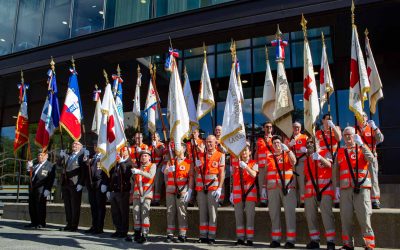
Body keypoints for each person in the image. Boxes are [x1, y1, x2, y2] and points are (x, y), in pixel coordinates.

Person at [336, 127, 376, 250]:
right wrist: (336, 187)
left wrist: (362, 145)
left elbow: (372, 159)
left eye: (350, 134)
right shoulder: (340, 151)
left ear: (355, 135)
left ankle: (368, 244)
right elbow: (336, 172)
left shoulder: (361, 148)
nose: (348, 137)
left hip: (361, 187)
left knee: (364, 216)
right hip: (345, 189)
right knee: (345, 217)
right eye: (345, 135)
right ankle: (348, 243)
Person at [263, 135, 297, 248]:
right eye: (274, 143)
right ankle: (276, 239)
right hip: (273, 189)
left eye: (278, 142)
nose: (277, 144)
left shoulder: (287, 153)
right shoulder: (269, 157)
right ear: (272, 145)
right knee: (274, 214)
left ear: (281, 144)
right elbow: (266, 173)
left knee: (289, 214)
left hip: (287, 188)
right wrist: (263, 187)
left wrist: (288, 150)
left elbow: (294, 162)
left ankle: (291, 240)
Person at [303, 138, 336, 250]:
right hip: (310, 192)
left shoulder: (325, 152)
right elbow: (307, 177)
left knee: (327, 216)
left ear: (317, 143)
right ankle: (314, 240)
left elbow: (330, 166)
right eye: (307, 143)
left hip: (325, 190)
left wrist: (320, 158)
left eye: (312, 142)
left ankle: (331, 242)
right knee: (310, 216)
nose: (309, 144)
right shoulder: (307, 159)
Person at [195, 135, 225, 245]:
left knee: (212, 212)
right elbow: (197, 171)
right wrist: (197, 166)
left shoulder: (220, 155)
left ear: (216, 143)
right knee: (202, 212)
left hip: (213, 187)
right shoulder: (200, 155)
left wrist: (220, 188)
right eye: (207, 142)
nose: (209, 144)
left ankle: (211, 236)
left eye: (211, 142)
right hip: (201, 187)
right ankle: (203, 235)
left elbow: (222, 173)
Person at [164, 143, 194, 243]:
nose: (176, 149)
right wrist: (169, 169)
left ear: (184, 149)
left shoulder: (189, 162)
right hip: (170, 190)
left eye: (179, 147)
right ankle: (170, 234)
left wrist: (190, 190)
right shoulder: (171, 160)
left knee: (182, 212)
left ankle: (182, 234)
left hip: (182, 191)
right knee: (170, 212)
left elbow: (191, 177)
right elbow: (165, 172)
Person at [230, 142, 258, 246]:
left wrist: (246, 167)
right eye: (242, 151)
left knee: (250, 216)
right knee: (239, 216)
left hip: (250, 193)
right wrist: (231, 192)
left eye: (246, 150)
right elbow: (233, 178)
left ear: (250, 152)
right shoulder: (236, 163)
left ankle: (250, 239)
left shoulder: (254, 163)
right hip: (237, 193)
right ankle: (240, 238)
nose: (244, 153)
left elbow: (254, 174)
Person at [356, 112, 384, 209]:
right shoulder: (354, 129)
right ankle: (362, 199)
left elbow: (380, 139)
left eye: (363, 116)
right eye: (359, 116)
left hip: (371, 155)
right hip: (359, 157)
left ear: (366, 117)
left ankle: (375, 200)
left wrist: (375, 128)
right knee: (360, 178)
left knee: (373, 178)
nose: (361, 118)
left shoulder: (371, 128)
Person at [128, 149, 156, 244]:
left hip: (147, 193)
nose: (143, 157)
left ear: (149, 157)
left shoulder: (152, 165)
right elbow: (134, 181)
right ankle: (137, 233)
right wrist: (133, 174)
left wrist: (139, 171)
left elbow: (150, 176)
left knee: (145, 213)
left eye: (145, 156)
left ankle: (144, 235)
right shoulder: (138, 167)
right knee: (136, 212)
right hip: (137, 193)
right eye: (142, 156)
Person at [59, 140, 89, 232]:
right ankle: (69, 223)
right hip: (66, 183)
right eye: (73, 143)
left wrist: (81, 183)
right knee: (67, 205)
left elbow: (84, 171)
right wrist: (61, 157)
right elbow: (59, 165)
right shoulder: (68, 155)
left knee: (75, 205)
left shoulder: (82, 155)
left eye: (76, 144)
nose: (74, 145)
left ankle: (74, 225)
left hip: (75, 183)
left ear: (80, 146)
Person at [315, 114, 342, 206]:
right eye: (327, 119)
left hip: (334, 156)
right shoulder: (318, 133)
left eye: (331, 119)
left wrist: (333, 126)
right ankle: (325, 198)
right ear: (323, 121)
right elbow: (317, 146)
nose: (329, 120)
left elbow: (339, 138)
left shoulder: (335, 128)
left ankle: (337, 200)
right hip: (323, 159)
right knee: (325, 179)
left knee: (335, 177)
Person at [25, 151, 55, 229]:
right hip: (33, 188)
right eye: (38, 155)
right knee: (32, 206)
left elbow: (51, 179)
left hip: (42, 188)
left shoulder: (50, 165)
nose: (39, 156)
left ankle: (41, 223)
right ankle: (34, 222)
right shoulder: (36, 165)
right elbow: (30, 175)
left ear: (46, 156)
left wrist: (48, 189)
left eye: (41, 155)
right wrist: (29, 168)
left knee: (40, 206)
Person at [108, 146, 132, 238]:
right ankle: (118, 229)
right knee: (115, 212)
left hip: (123, 191)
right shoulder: (116, 162)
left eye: (124, 150)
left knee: (123, 212)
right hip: (114, 190)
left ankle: (123, 231)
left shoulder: (129, 162)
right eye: (120, 150)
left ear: (128, 151)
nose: (121, 151)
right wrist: (109, 189)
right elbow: (112, 176)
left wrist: (122, 163)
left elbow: (126, 174)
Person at [84, 142, 108, 234]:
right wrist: (86, 160)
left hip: (100, 182)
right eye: (94, 145)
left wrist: (105, 183)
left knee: (100, 206)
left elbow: (107, 171)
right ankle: (94, 225)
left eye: (97, 145)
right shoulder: (92, 157)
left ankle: (99, 227)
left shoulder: (104, 157)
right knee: (93, 206)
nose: (96, 147)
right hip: (91, 184)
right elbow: (86, 170)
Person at [288, 122, 308, 207]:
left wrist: (306, 150)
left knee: (301, 182)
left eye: (298, 127)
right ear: (292, 128)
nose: (296, 128)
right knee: (293, 183)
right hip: (291, 163)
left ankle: (302, 202)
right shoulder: (289, 138)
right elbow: (283, 151)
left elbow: (311, 149)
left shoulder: (305, 137)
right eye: (295, 127)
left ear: (301, 128)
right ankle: (294, 202)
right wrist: (289, 145)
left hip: (301, 162)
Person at [255, 121, 274, 207]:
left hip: (271, 166)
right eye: (267, 126)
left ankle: (272, 200)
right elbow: (256, 153)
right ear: (263, 128)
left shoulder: (275, 139)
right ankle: (263, 201)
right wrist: (255, 165)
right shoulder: (259, 140)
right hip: (261, 166)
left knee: (271, 183)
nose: (268, 128)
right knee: (261, 183)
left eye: (270, 127)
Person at [149, 132, 165, 206]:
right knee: (152, 184)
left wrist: (155, 147)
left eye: (155, 137)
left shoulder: (161, 145)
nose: (154, 138)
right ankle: (152, 199)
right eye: (152, 137)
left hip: (159, 166)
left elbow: (160, 154)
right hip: (152, 168)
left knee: (157, 183)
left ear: (159, 138)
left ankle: (157, 200)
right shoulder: (150, 146)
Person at [214, 125, 228, 205]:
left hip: (221, 163)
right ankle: (214, 199)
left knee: (221, 182)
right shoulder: (212, 139)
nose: (218, 131)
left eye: (219, 130)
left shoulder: (224, 140)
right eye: (216, 130)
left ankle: (220, 200)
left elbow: (226, 151)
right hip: (212, 163)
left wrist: (219, 145)